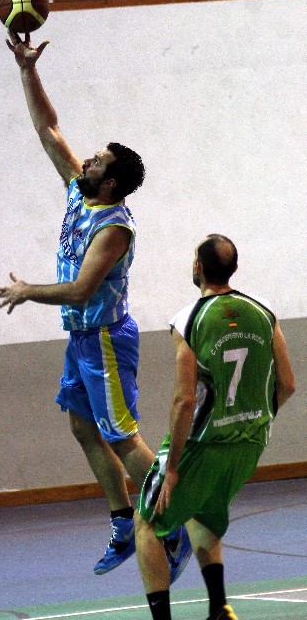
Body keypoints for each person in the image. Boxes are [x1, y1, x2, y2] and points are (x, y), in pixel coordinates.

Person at [0, 31, 191, 580]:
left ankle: (174, 527)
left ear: (112, 182)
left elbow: (81, 290)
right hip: (81, 339)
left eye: (97, 160)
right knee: (83, 427)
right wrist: (27, 70)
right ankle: (124, 523)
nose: (87, 160)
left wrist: (28, 290)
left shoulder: (115, 228)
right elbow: (48, 129)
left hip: (104, 338)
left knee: (123, 436)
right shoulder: (80, 191)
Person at [135, 234, 296, 620]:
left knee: (146, 523)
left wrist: (173, 467)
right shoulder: (264, 311)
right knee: (203, 514)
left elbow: (185, 400)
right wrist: (253, 419)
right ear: (234, 268)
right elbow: (288, 384)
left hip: (202, 443)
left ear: (199, 268)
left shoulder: (188, 320)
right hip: (249, 443)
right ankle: (219, 609)